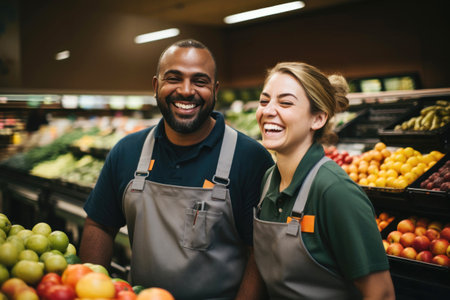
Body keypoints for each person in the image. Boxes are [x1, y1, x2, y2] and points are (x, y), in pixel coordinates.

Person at [79, 39, 274, 299]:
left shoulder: (250, 158)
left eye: (200, 81)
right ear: (155, 85)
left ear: (215, 90)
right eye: (174, 78)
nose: (186, 90)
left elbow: (259, 254)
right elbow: (99, 226)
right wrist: (91, 289)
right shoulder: (127, 152)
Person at [253, 62, 395, 299]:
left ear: (317, 119)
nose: (268, 110)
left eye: (285, 102)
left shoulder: (335, 191)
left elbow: (380, 293)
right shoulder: (269, 179)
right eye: (264, 100)